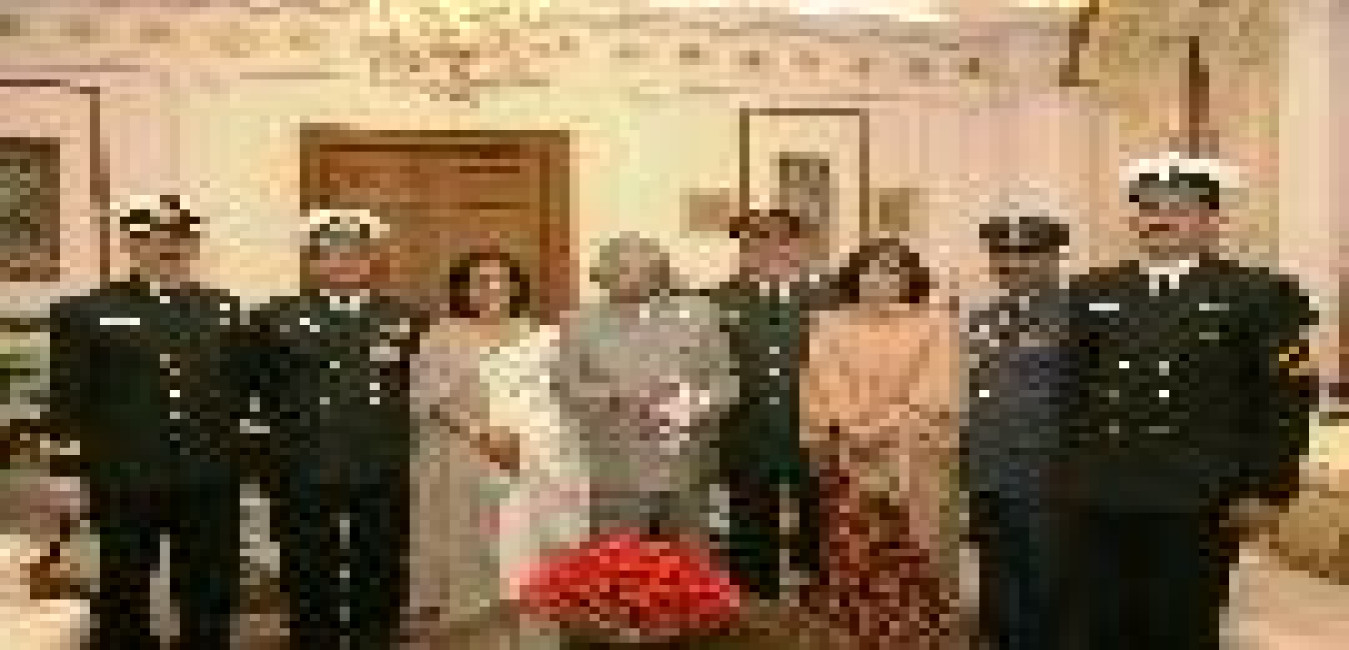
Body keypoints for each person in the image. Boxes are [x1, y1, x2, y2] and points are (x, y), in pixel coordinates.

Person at [1060, 153, 1319, 649]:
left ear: (1212, 219)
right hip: (1103, 490)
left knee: (1180, 629)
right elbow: (1074, 393)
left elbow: (1287, 401)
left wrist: (1268, 489)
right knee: (1102, 627)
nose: (1160, 218)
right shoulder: (1093, 290)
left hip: (1199, 496)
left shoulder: (1261, 294)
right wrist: (1070, 474)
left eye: (1178, 207)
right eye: (1148, 207)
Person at [47, 194, 247, 650]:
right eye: (154, 236)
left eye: (180, 237)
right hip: (125, 475)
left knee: (209, 589)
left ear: (194, 245)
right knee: (124, 588)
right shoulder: (86, 311)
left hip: (207, 475)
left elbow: (237, 389)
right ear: (131, 244)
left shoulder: (224, 307)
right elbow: (67, 399)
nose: (168, 246)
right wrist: (67, 473)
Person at [247, 208, 426, 650]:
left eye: (357, 253)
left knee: (380, 565)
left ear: (374, 260)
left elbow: (422, 389)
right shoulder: (274, 316)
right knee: (306, 567)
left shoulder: (407, 318)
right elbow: (258, 388)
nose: (345, 262)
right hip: (303, 462)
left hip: (381, 461)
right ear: (311, 262)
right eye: (330, 253)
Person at [552, 233, 738, 649]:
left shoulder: (700, 315)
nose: (632, 278)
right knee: (614, 573)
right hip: (617, 466)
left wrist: (689, 407)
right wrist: (616, 397)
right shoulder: (578, 322)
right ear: (602, 275)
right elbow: (564, 387)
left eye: (642, 269)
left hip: (686, 464)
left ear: (659, 272)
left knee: (692, 571)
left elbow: (727, 385)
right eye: (620, 269)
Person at [409, 249, 586, 649]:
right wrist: (481, 434)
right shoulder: (443, 335)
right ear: (463, 289)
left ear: (516, 287)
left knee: (528, 551)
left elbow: (560, 396)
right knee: (474, 548)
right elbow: (426, 397)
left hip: (532, 458)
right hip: (462, 456)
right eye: (479, 281)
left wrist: (541, 444)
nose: (491, 288)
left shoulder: (542, 334)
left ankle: (533, 637)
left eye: (501, 280)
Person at [801, 238, 961, 649]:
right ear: (855, 277)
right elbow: (823, 383)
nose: (880, 279)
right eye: (871, 270)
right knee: (854, 563)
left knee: (914, 565)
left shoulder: (935, 324)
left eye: (893, 271)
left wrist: (882, 428)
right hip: (849, 457)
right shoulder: (829, 324)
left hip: (914, 460)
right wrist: (855, 429)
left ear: (910, 279)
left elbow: (936, 391)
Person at [706, 208, 825, 612]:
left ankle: (816, 610)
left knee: (819, 525)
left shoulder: (829, 299)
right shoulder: (716, 301)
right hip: (746, 433)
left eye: (777, 239)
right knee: (750, 529)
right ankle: (757, 613)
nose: (766, 249)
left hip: (813, 432)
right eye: (753, 241)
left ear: (799, 247)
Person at [965, 210, 1072, 650]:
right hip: (987, 469)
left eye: (1027, 254)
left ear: (1052, 259)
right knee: (996, 581)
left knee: (1045, 582)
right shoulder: (983, 318)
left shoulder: (1074, 316)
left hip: (1044, 473)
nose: (1012, 264)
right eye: (1001, 255)